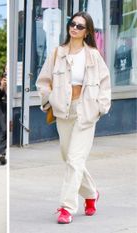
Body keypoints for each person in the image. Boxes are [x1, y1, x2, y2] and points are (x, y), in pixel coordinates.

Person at [36, 11, 111, 224]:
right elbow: (43, 81)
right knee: (68, 158)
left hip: (86, 111)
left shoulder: (93, 55)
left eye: (79, 26)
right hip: (63, 111)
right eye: (72, 24)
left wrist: (100, 107)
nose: (74, 28)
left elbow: (105, 83)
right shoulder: (57, 53)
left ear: (87, 31)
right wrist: (49, 100)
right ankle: (91, 193)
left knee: (75, 160)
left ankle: (66, 207)